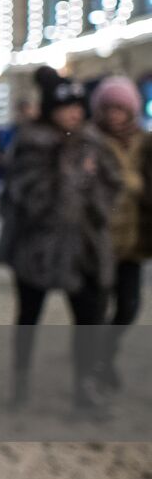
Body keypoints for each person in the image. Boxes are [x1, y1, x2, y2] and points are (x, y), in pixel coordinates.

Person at [0, 76, 121, 414]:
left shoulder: (92, 143)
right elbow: (31, 198)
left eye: (78, 108)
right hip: (37, 248)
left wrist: (92, 193)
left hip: (82, 248)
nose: (73, 115)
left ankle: (85, 386)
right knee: (28, 317)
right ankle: (20, 381)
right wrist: (71, 174)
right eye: (67, 108)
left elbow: (111, 188)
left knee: (88, 318)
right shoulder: (33, 144)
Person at [90, 75, 148, 389]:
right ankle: (96, 364)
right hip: (101, 240)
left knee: (128, 306)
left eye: (120, 108)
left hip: (134, 239)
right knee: (97, 307)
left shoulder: (144, 142)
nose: (114, 115)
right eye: (109, 108)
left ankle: (105, 352)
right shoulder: (90, 142)